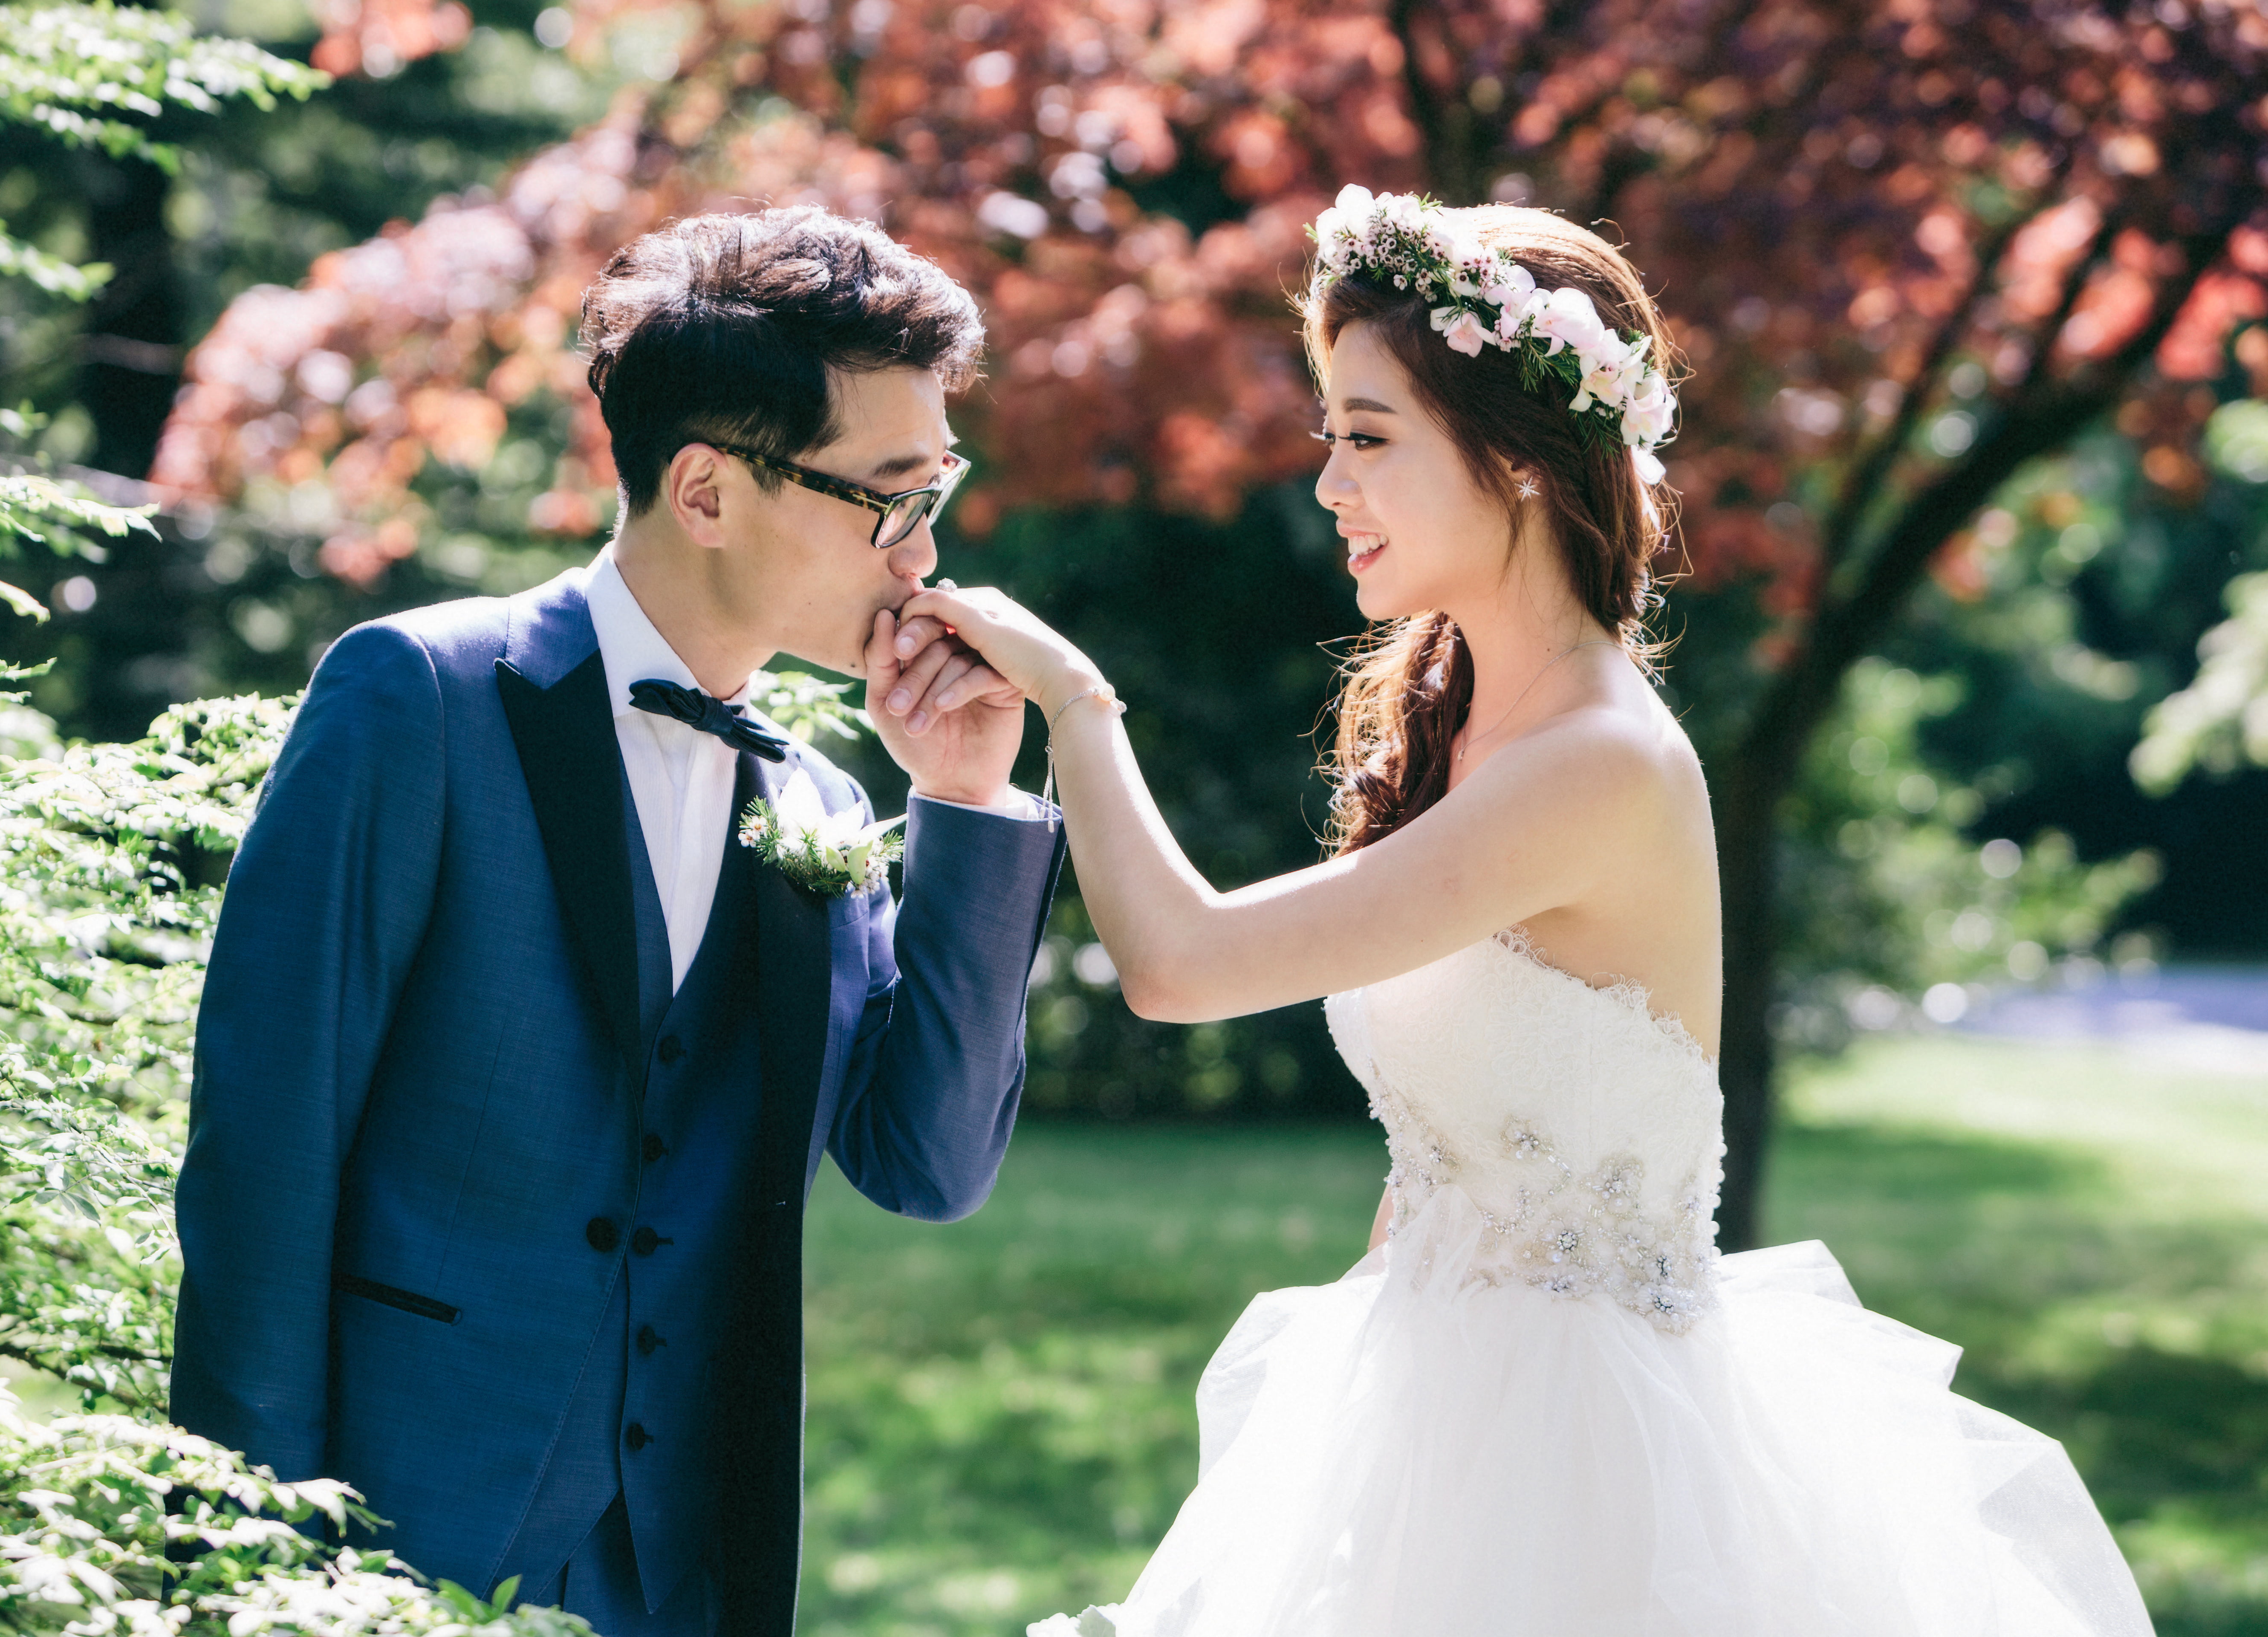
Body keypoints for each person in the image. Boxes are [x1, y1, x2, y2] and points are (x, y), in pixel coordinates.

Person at [902, 190, 2154, 1635]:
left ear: (1516, 460)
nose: (1329, 484)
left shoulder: (1597, 765)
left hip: (1596, 1474)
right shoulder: (1471, 732)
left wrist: (1076, 704)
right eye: (1330, 436)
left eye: (1370, 437)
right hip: (1434, 1421)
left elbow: (1181, 965)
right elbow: (1455, 1146)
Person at [170, 207, 1063, 1637]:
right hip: (398, 1526)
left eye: (934, 491)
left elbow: (931, 1166)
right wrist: (250, 1565)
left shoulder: (825, 802)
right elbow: (264, 1159)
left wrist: (965, 802)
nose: (923, 555)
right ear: (705, 490)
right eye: (889, 499)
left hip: (684, 1565)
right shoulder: (419, 698)